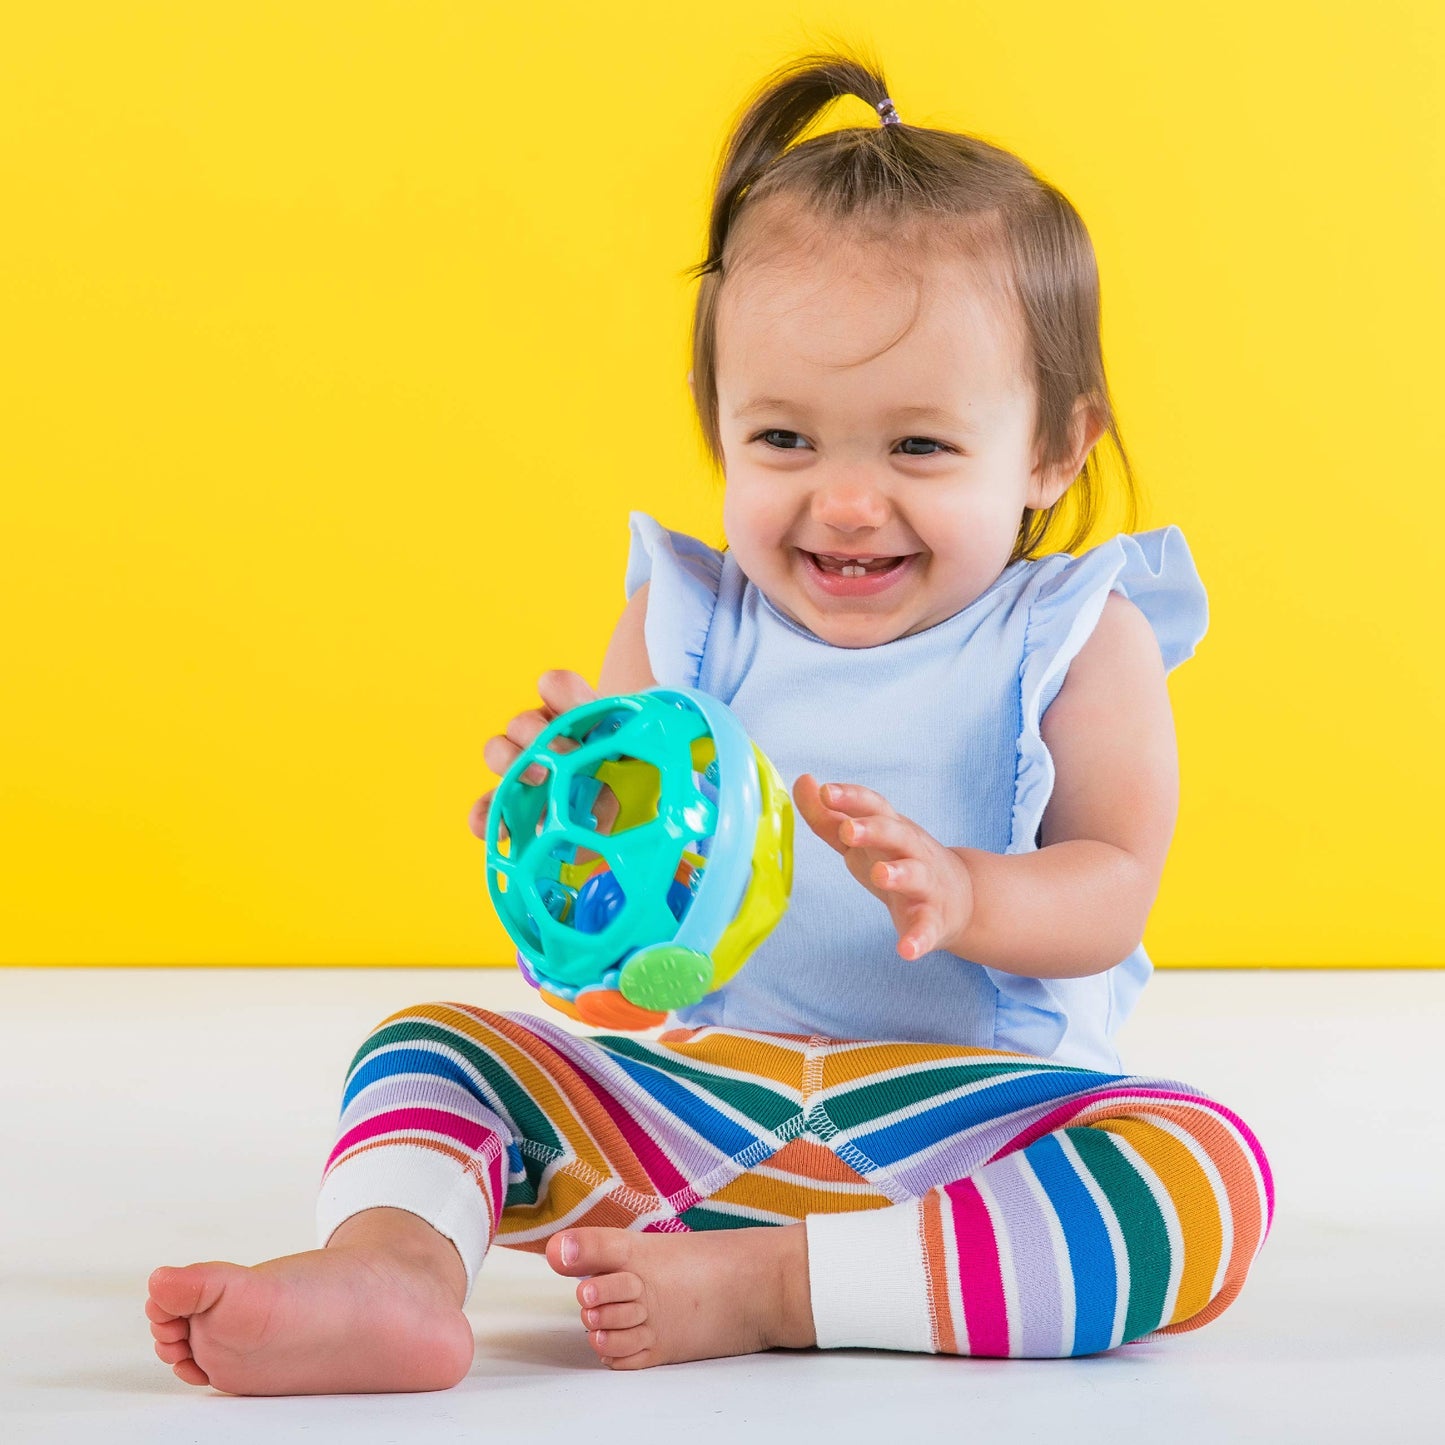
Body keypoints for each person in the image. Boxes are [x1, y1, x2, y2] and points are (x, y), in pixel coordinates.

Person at [144, 48, 1273, 1395]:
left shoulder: (1075, 636)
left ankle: (776, 1289)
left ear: (1049, 449)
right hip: (698, 1108)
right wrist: (563, 876)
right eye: (785, 441)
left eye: (916, 447)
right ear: (719, 427)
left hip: (954, 1129)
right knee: (432, 1044)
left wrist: (962, 887)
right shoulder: (686, 624)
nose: (844, 501)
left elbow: (1110, 889)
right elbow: (610, 991)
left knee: (1199, 1172)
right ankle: (393, 1264)